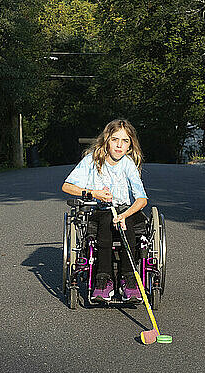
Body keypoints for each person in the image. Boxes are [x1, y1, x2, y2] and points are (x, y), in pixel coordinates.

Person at [62, 119, 148, 302]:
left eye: (125, 141)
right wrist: (94, 193)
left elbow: (141, 199)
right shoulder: (92, 159)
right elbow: (67, 186)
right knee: (107, 218)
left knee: (127, 222)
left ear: (130, 145)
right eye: (115, 139)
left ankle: (129, 278)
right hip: (99, 210)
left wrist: (125, 215)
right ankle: (103, 278)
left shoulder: (128, 164)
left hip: (125, 211)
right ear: (106, 139)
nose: (119, 145)